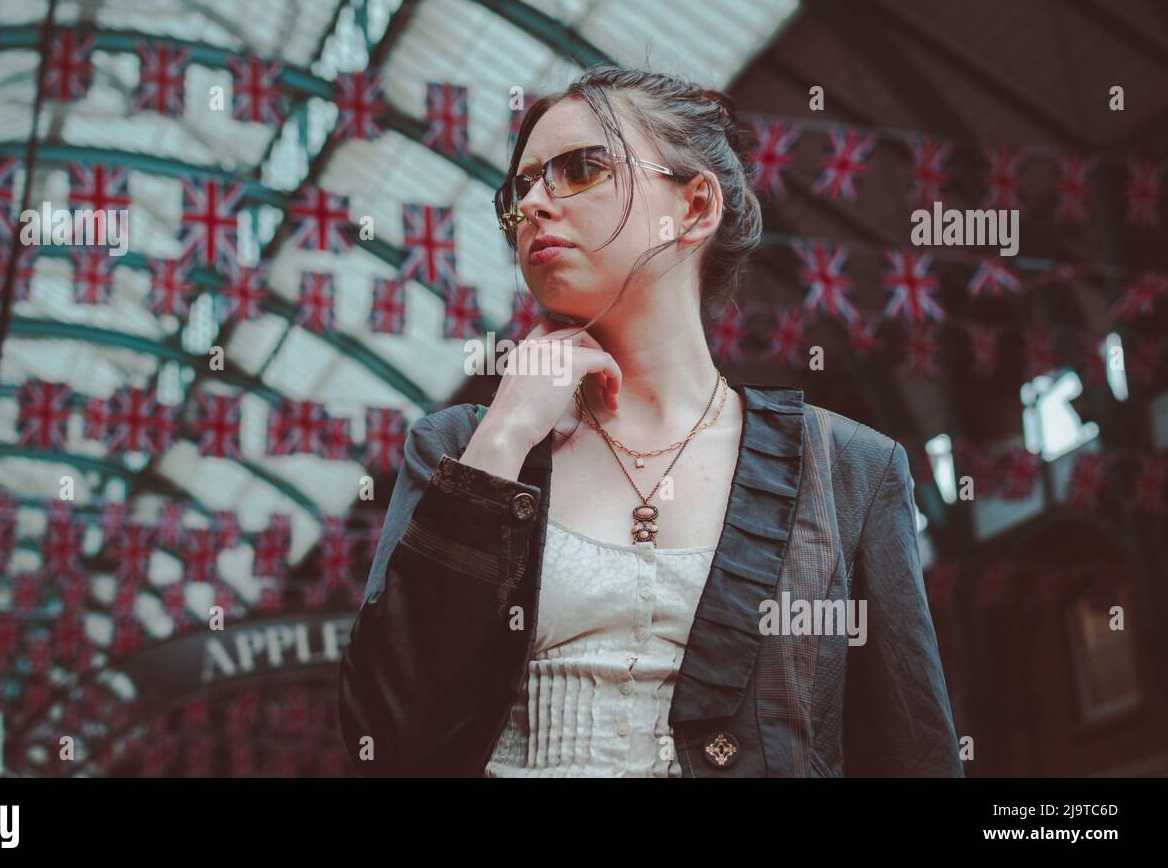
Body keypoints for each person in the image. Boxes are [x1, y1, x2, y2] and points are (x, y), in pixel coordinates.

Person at [338, 65, 963, 778]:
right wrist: (505, 435)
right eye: (521, 188)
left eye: (581, 169)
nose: (535, 203)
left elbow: (915, 753)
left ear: (695, 207)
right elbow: (385, 738)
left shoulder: (849, 469)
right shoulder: (459, 451)